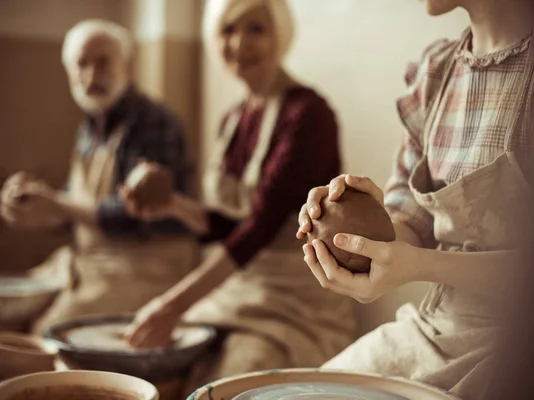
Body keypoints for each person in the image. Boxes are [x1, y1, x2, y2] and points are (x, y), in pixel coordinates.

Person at [296, 1, 534, 399]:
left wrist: (420, 265)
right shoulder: (436, 72)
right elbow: (411, 228)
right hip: (436, 328)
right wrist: (360, 228)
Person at [120, 0, 356, 394]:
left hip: (297, 298)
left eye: (256, 29)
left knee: (228, 383)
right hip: (242, 287)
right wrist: (174, 205)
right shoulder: (233, 119)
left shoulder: (309, 114)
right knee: (168, 372)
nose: (239, 43)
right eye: (228, 30)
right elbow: (233, 225)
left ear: (279, 35)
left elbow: (261, 229)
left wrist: (171, 305)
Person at [0, 19, 198, 335]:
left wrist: (60, 206)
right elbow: (75, 202)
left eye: (103, 62)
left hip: (147, 266)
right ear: (69, 72)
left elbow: (143, 215)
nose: (92, 74)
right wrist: (37, 207)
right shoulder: (91, 124)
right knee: (10, 307)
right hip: (95, 261)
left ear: (127, 65)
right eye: (82, 63)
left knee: (48, 332)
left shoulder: (152, 122)